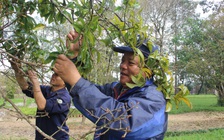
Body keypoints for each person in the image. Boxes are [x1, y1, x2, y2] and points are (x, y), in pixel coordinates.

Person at [53, 30, 168, 140]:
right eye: (122, 60)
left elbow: (127, 123)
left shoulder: (154, 98)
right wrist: (74, 57)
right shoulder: (116, 89)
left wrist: (77, 82)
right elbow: (88, 92)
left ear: (147, 70)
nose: (122, 65)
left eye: (131, 62)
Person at [10, 61, 71, 140]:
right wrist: (16, 70)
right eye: (54, 73)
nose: (53, 76)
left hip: (57, 138)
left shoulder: (64, 98)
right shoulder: (46, 90)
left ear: (65, 81)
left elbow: (42, 105)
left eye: (57, 75)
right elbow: (25, 87)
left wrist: (35, 82)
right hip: (41, 137)